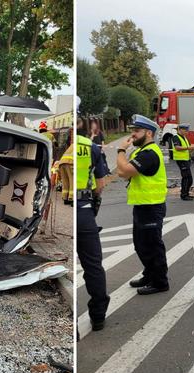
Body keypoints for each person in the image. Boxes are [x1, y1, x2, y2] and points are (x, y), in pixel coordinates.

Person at [117, 114, 169, 295]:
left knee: (152, 246)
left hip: (151, 206)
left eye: (136, 131)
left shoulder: (149, 154)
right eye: (132, 131)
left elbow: (124, 171)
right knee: (140, 244)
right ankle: (149, 274)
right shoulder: (141, 151)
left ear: (149, 133)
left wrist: (120, 151)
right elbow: (123, 172)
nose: (132, 136)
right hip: (143, 205)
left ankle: (160, 282)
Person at [76, 117, 110, 330]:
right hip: (84, 210)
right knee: (93, 265)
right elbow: (100, 185)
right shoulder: (91, 148)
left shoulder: (63, 147)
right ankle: (98, 316)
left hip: (69, 204)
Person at [171, 123, 194, 200]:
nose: (187, 132)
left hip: (186, 159)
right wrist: (189, 147)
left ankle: (186, 193)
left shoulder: (184, 137)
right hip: (181, 160)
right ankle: (184, 195)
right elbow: (177, 147)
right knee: (186, 178)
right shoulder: (175, 137)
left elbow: (189, 146)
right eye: (185, 130)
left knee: (189, 179)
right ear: (180, 130)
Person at [58, 140, 74, 205]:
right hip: (70, 162)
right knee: (72, 180)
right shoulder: (79, 145)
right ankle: (71, 198)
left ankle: (65, 198)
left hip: (61, 163)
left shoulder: (72, 145)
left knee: (65, 181)